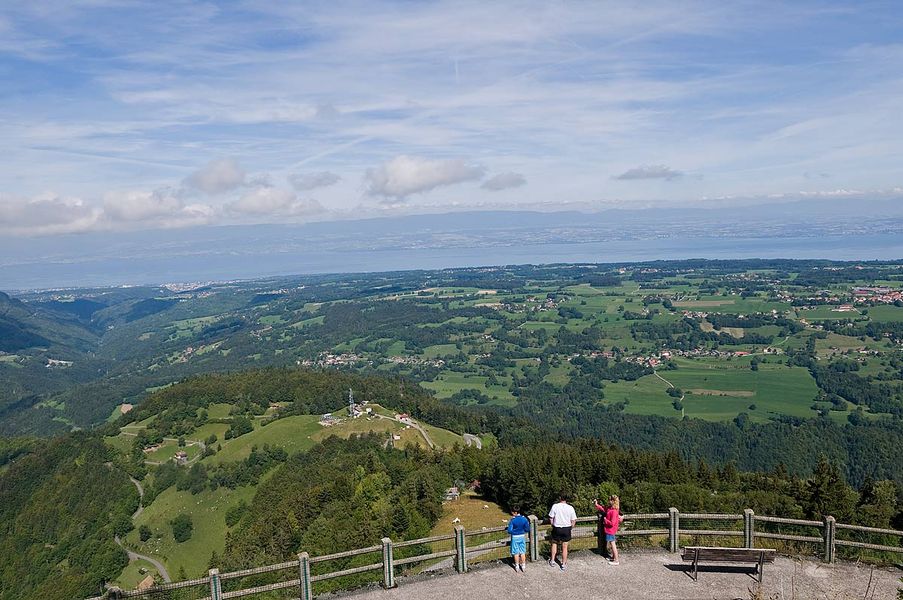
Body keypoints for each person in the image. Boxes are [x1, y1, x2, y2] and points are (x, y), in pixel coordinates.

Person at [547, 493, 577, 571]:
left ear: (560, 498)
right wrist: (571, 527)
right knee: (565, 547)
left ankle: (552, 560)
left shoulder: (555, 506)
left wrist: (553, 524)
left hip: (557, 527)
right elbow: (573, 520)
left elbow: (551, 518)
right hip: (566, 528)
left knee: (554, 544)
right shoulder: (570, 508)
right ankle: (563, 564)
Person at [599, 495, 623, 565]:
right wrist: (597, 505)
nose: (609, 501)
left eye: (610, 500)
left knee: (613, 544)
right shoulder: (611, 509)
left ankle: (616, 560)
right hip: (610, 530)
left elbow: (612, 523)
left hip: (611, 530)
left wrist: (605, 520)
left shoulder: (614, 511)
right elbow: (604, 509)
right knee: (612, 543)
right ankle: (613, 557)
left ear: (613, 501)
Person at [506, 507, 530, 573]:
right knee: (522, 551)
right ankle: (523, 566)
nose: (512, 513)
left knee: (515, 552)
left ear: (515, 512)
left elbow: (509, 530)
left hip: (515, 537)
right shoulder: (524, 519)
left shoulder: (513, 520)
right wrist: (522, 531)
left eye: (512, 512)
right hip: (522, 536)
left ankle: (517, 566)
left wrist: (515, 532)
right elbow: (527, 529)